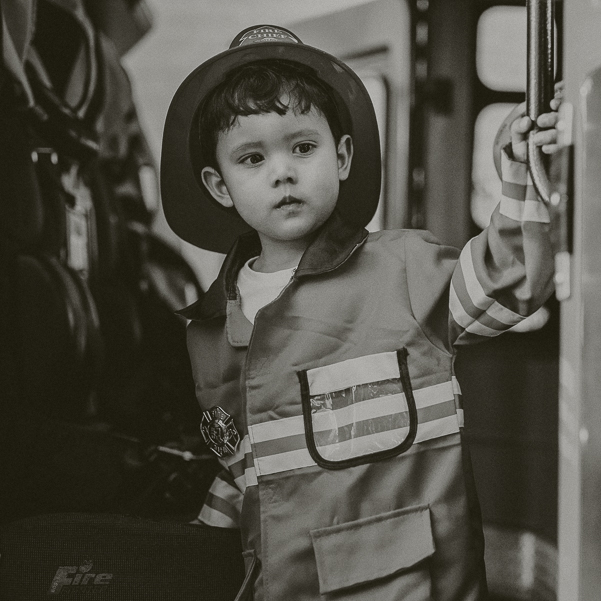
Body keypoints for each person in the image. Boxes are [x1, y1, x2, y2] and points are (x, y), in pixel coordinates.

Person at [160, 24, 560, 601]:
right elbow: (241, 467)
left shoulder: (403, 269)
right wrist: (195, 548)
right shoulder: (208, 331)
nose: (283, 172)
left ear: (342, 157)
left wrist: (517, 174)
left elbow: (509, 281)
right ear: (219, 187)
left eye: (303, 147)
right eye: (252, 158)